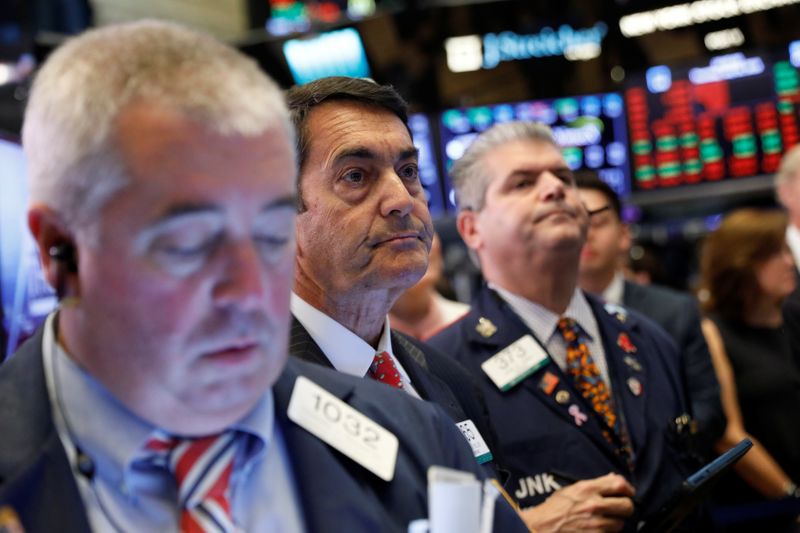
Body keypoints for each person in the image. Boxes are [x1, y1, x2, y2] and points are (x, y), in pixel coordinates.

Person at [0, 22, 526, 532]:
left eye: (269, 230)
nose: (251, 289)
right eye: (188, 243)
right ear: (59, 249)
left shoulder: (413, 433)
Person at [285, 76, 633, 532]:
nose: (401, 200)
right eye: (356, 176)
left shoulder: (443, 376)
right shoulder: (245, 397)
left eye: (408, 171)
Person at [429, 121, 698, 530]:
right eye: (522, 183)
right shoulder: (442, 373)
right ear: (471, 228)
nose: (555, 188)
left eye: (563, 177)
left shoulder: (650, 338)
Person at [575, 172, 724, 459]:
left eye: (597, 222)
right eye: (574, 222)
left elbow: (710, 410)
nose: (586, 234)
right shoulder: (551, 319)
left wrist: (656, 441)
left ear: (623, 235)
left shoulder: (673, 311)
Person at [699, 208, 800, 531]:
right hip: (759, 510)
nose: (789, 262)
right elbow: (728, 435)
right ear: (742, 264)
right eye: (775, 253)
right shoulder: (713, 332)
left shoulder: (794, 317)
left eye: (787, 250)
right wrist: (790, 495)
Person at [390, 233, 470, 340]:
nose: (418, 248)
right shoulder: (367, 341)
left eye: (421, 233)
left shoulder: (468, 321)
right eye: (402, 237)